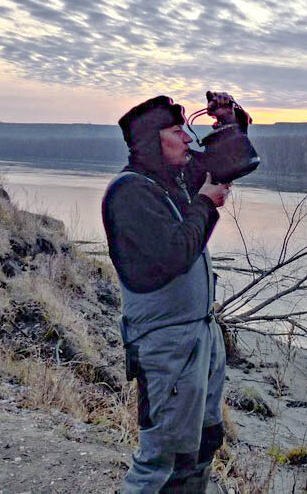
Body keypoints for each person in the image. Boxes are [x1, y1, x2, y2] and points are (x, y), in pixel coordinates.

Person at [102, 93, 235, 493]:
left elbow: (232, 165)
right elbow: (174, 253)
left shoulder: (171, 182)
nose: (188, 140)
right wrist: (206, 205)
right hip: (167, 347)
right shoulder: (130, 193)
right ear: (151, 141)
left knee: (202, 445)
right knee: (163, 461)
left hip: (200, 339)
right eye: (177, 132)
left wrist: (228, 123)